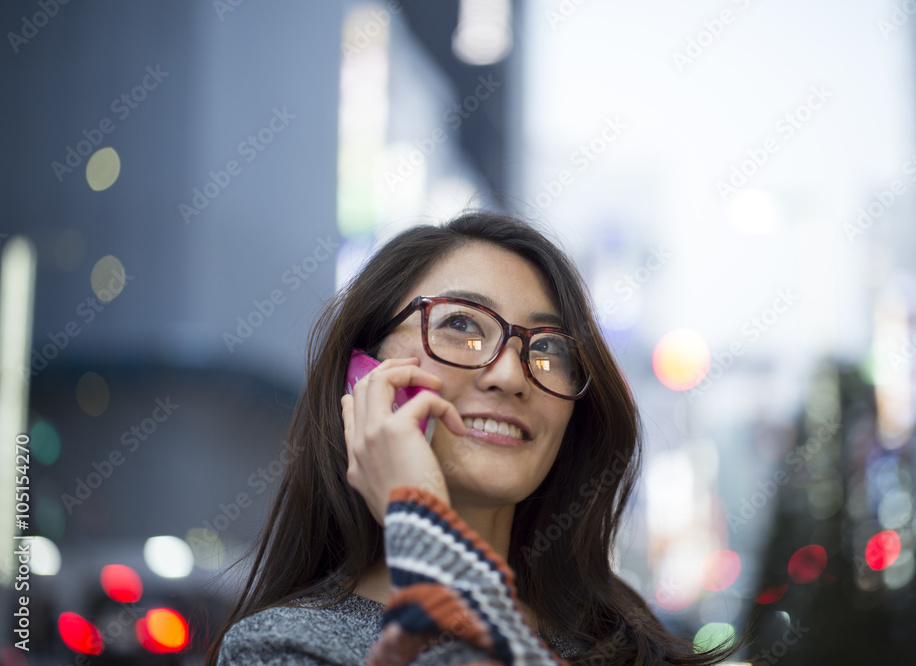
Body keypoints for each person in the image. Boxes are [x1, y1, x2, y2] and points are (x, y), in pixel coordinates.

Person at [208, 211, 740, 665]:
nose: (509, 375)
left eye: (550, 349)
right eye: (461, 326)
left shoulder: (628, 646)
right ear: (363, 377)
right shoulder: (285, 648)